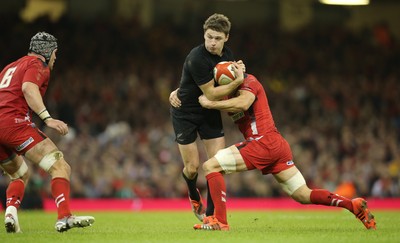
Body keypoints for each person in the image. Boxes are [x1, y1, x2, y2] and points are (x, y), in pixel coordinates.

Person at [194, 72, 376, 231]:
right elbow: (203, 92)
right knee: (303, 194)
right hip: (276, 144)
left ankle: (220, 222)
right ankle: (352, 205)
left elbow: (243, 103)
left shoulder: (249, 82)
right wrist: (178, 93)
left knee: (211, 166)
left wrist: (210, 104)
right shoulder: (225, 96)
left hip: (263, 142)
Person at [0, 31, 95, 233]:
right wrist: (48, 118)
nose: (55, 58)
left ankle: (10, 214)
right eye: (55, 53)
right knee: (60, 165)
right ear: (48, 51)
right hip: (14, 125)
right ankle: (64, 217)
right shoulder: (37, 65)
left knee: (19, 175)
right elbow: (28, 88)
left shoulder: (10, 67)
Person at [169, 13, 245, 221]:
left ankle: (211, 215)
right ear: (204, 34)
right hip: (185, 113)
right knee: (192, 168)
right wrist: (238, 81)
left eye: (218, 38)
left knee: (217, 163)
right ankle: (194, 194)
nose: (212, 42)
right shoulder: (196, 57)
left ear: (226, 38)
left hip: (209, 112)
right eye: (209, 37)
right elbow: (210, 93)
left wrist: (238, 74)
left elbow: (220, 90)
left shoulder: (227, 55)